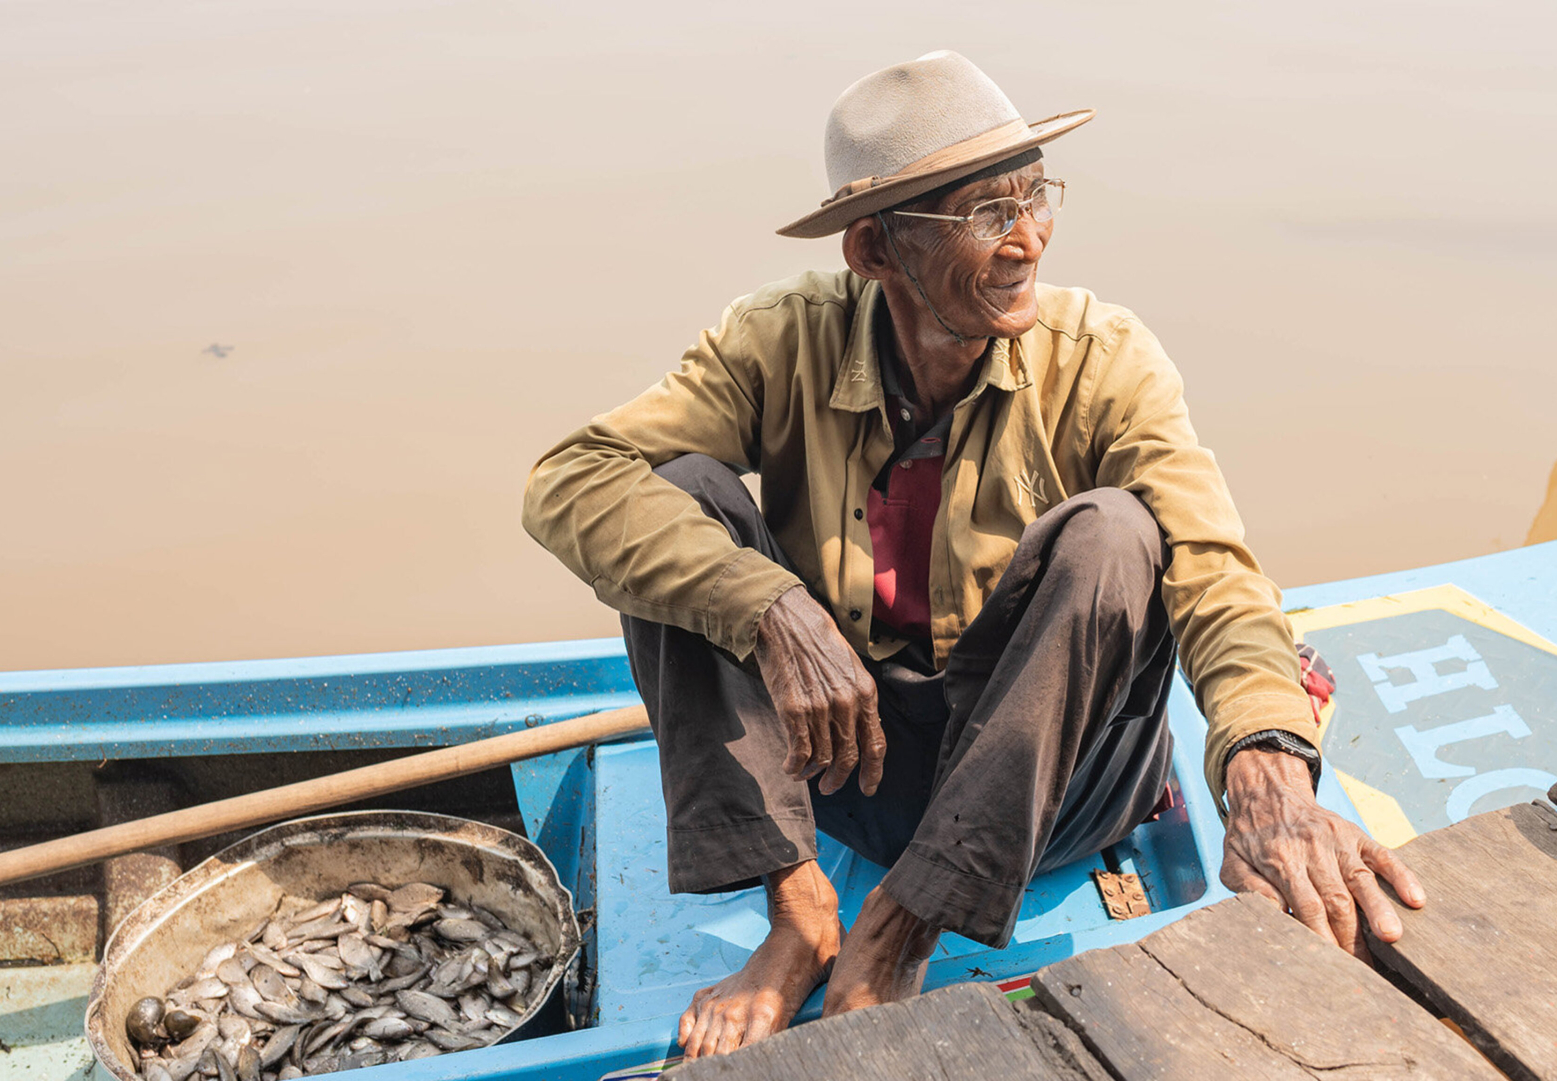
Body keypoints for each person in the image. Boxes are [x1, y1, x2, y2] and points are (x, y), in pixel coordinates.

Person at [521, 50, 1424, 1061]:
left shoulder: (1103, 358)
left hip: (1046, 783)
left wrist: (1268, 778)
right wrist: (772, 608)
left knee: (1117, 535)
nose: (1029, 238)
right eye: (988, 213)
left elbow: (1216, 568)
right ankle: (800, 907)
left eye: (1038, 196)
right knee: (674, 497)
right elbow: (570, 480)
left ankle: (903, 925)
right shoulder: (782, 339)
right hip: (849, 761)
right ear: (875, 250)